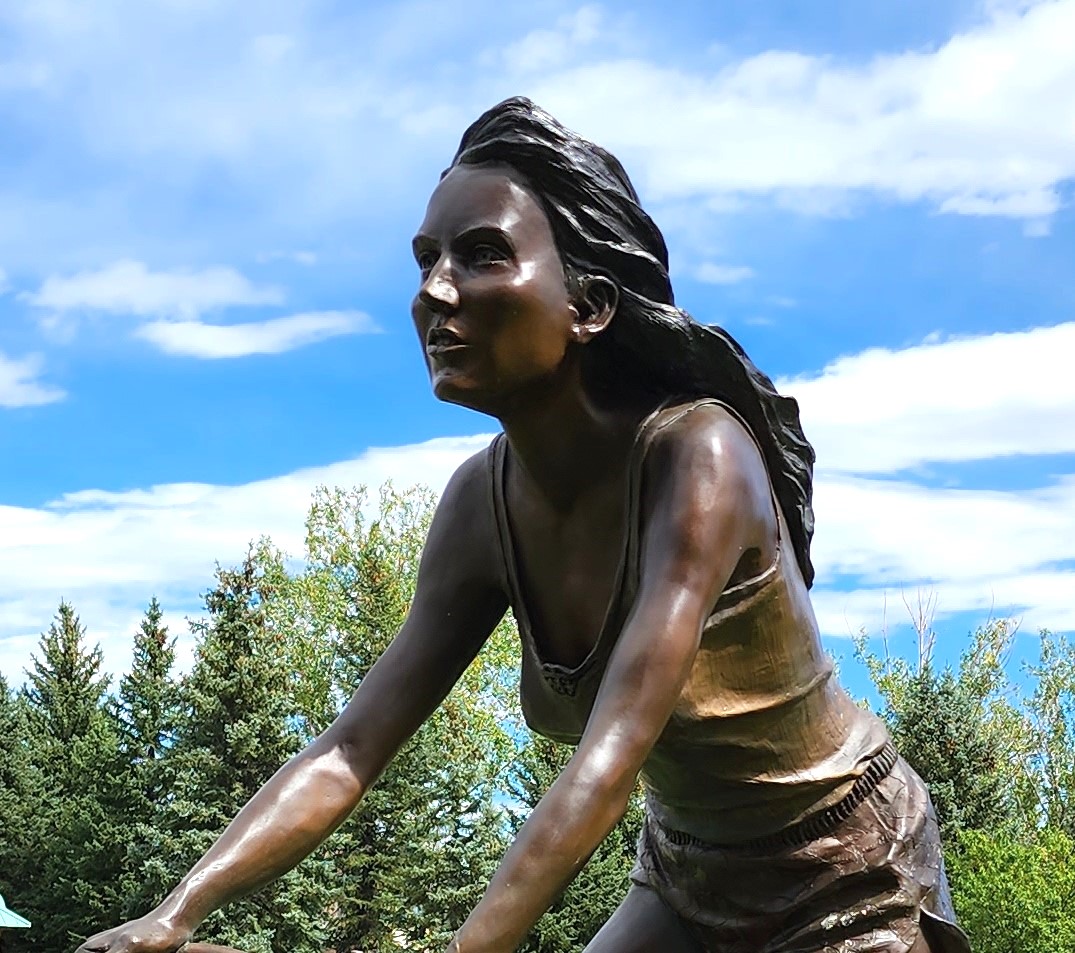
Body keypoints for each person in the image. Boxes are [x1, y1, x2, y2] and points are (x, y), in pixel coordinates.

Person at [77, 98, 970, 953]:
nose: (435, 291)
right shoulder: (479, 505)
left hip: (842, 874)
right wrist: (176, 910)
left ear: (588, 306)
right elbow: (352, 746)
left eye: (480, 255)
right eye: (426, 257)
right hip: (686, 879)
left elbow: (611, 756)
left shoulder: (698, 455)